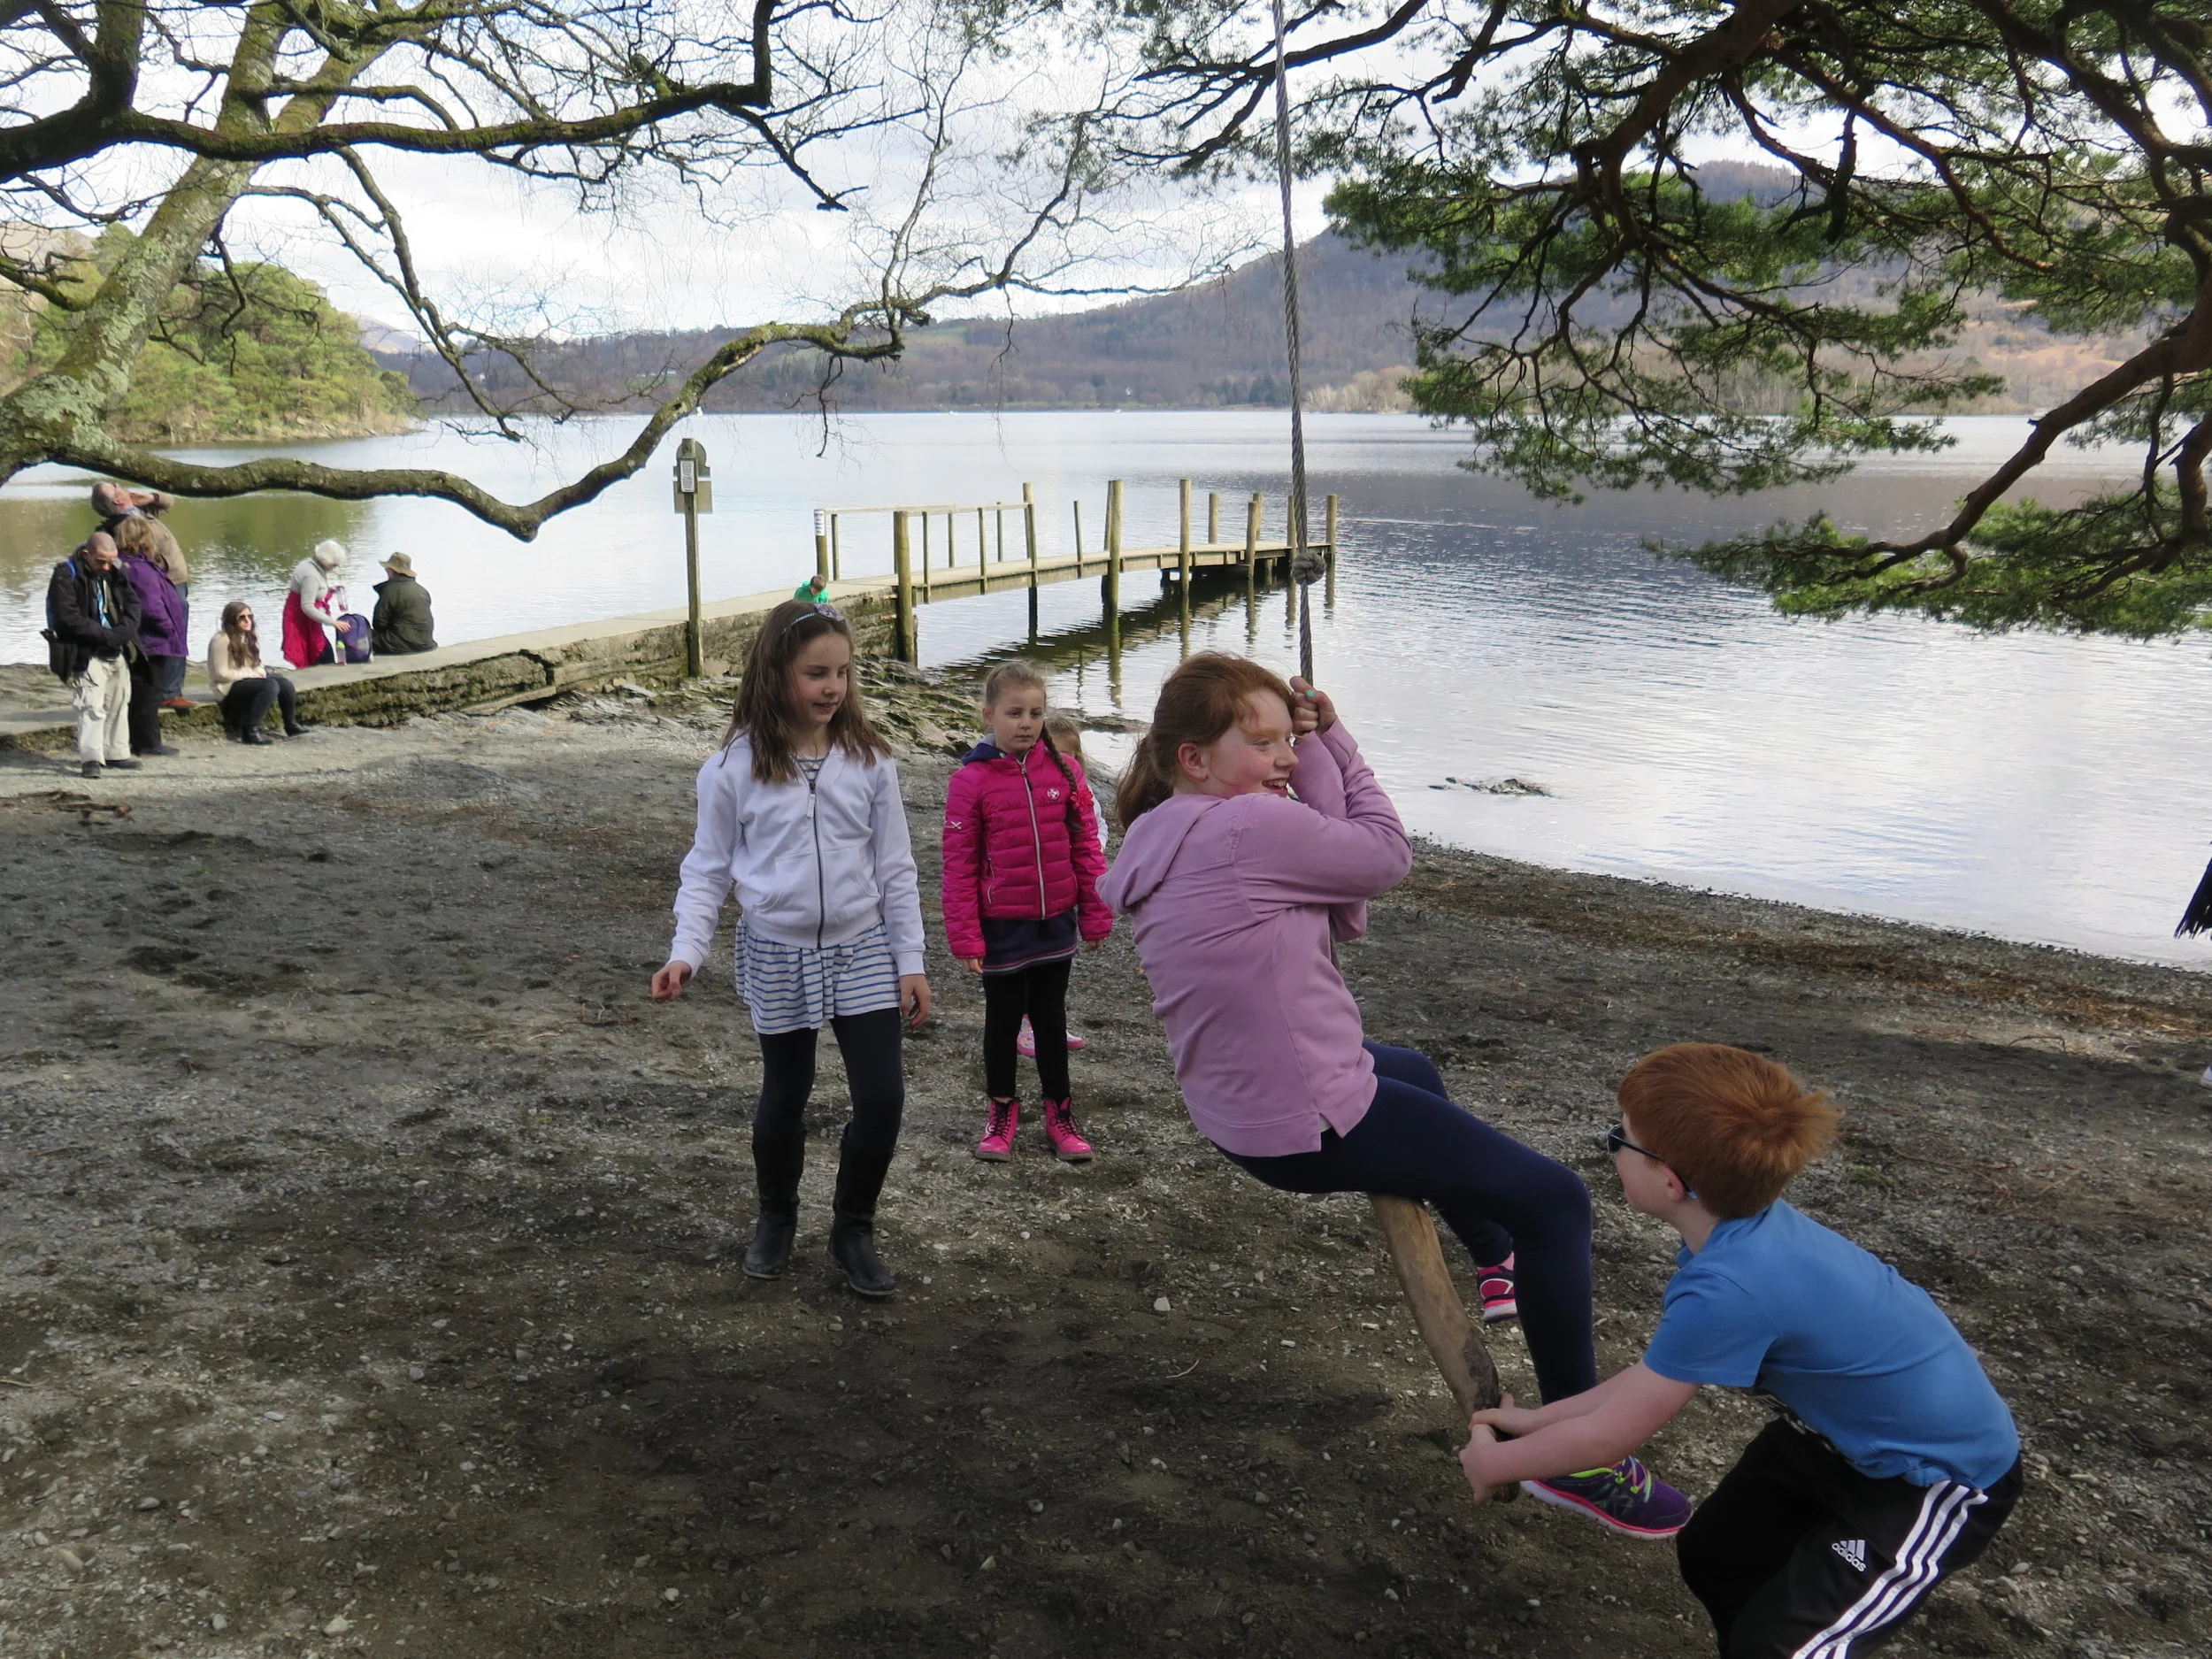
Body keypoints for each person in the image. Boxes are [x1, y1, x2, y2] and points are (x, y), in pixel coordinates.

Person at [1098, 652, 1689, 1535]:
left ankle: (1493, 1262)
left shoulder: (1167, 827)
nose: (1283, 757)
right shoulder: (1246, 829)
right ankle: (1582, 1460)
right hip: (1304, 1120)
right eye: (1260, 743)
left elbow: (1332, 875)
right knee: (1558, 1202)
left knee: (1407, 1066)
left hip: (1235, 1106)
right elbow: (1379, 856)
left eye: (1284, 738)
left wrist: (1311, 743)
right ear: (1194, 757)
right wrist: (1336, 737)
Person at [1461, 1045, 2022, 1654]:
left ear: (1670, 1180)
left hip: (1933, 1477)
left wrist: (1495, 1465)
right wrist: (1536, 1420)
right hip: (1831, 1442)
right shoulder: (1736, 1237)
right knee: (1716, 1554)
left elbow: (1609, 1439)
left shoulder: (1730, 1285)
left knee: (1783, 1646)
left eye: (1618, 1138)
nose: (1613, 1147)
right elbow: (1649, 1379)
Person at [651, 599, 931, 1299]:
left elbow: (896, 867)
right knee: (786, 1093)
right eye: (816, 673)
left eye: (842, 672)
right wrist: (687, 950)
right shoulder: (731, 769)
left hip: (861, 946)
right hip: (776, 949)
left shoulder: (870, 760)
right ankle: (775, 1216)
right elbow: (707, 867)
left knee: (883, 1096)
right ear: (776, 672)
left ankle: (853, 1227)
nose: (832, 687)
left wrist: (911, 959)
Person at [941, 660, 1112, 1163]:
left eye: (1035, 713)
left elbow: (1086, 848)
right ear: (989, 714)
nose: (1026, 723)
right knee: (1002, 1020)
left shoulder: (1064, 769)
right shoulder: (971, 781)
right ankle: (1001, 1113)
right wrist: (967, 937)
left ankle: (1060, 1114)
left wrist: (1095, 912)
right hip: (1001, 927)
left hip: (1055, 922)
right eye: (1015, 713)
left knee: (1050, 1018)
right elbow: (958, 864)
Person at [1020, 711, 1107, 1060]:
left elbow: (1096, 831)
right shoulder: (1029, 793)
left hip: (1065, 892)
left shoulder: (1084, 796)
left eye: (1068, 757)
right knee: (1027, 959)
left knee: (1058, 960)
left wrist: (1092, 854)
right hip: (1029, 893)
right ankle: (1025, 1022)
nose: (1061, 764)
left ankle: (1051, 1023)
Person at [43, 532, 142, 780]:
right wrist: (105, 636)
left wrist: (123, 633)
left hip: (116, 646)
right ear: (87, 555)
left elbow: (133, 605)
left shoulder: (115, 571)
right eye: (101, 561)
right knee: (91, 706)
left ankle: (116, 752)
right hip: (85, 650)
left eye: (111, 561)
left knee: (119, 700)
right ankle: (91, 759)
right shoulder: (65, 574)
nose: (107, 566)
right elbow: (67, 618)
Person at [93, 481, 192, 707]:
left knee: (176, 631)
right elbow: (140, 555)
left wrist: (151, 498)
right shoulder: (121, 525)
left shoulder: (140, 509)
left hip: (175, 579)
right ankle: (169, 692)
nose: (120, 484)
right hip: (162, 583)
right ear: (118, 501)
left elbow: (170, 501)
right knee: (169, 633)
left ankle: (169, 690)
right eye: (115, 487)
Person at [114, 515, 187, 758]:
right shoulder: (140, 570)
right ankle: (148, 743)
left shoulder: (129, 565)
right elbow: (151, 607)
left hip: (144, 639)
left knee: (141, 690)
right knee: (149, 692)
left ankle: (139, 741)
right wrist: (169, 629)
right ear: (144, 539)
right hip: (152, 641)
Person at [207, 601, 309, 744]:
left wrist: (259, 671)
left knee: (284, 683)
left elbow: (258, 663)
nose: (248, 621)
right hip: (226, 687)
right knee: (270, 686)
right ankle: (250, 730)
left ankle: (291, 724)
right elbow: (220, 674)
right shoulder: (221, 640)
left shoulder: (251, 635)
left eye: (250, 616)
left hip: (247, 680)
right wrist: (251, 673)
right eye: (242, 618)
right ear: (231, 620)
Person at [282, 540, 347, 668]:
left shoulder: (308, 563)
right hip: (302, 621)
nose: (334, 568)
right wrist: (333, 622)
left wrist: (328, 590)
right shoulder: (311, 575)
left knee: (320, 653)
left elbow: (313, 589)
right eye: (334, 565)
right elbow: (307, 606)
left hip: (308, 619)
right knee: (321, 655)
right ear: (326, 561)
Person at [371, 553, 437, 654]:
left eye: (387, 569)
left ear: (391, 571)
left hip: (400, 646)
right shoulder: (421, 590)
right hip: (425, 643)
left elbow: (379, 623)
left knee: (359, 631)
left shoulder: (390, 591)